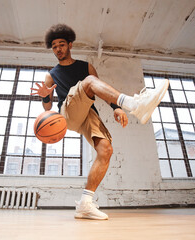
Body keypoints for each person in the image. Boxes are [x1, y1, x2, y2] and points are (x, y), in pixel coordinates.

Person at [31, 24, 169, 220]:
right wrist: (45, 96)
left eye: (61, 45)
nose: (58, 49)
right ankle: (134, 104)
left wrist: (116, 108)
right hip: (67, 112)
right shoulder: (51, 74)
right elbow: (47, 109)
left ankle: (85, 204)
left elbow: (101, 89)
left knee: (106, 150)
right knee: (87, 82)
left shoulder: (86, 66)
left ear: (70, 45)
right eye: (54, 47)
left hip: (88, 113)